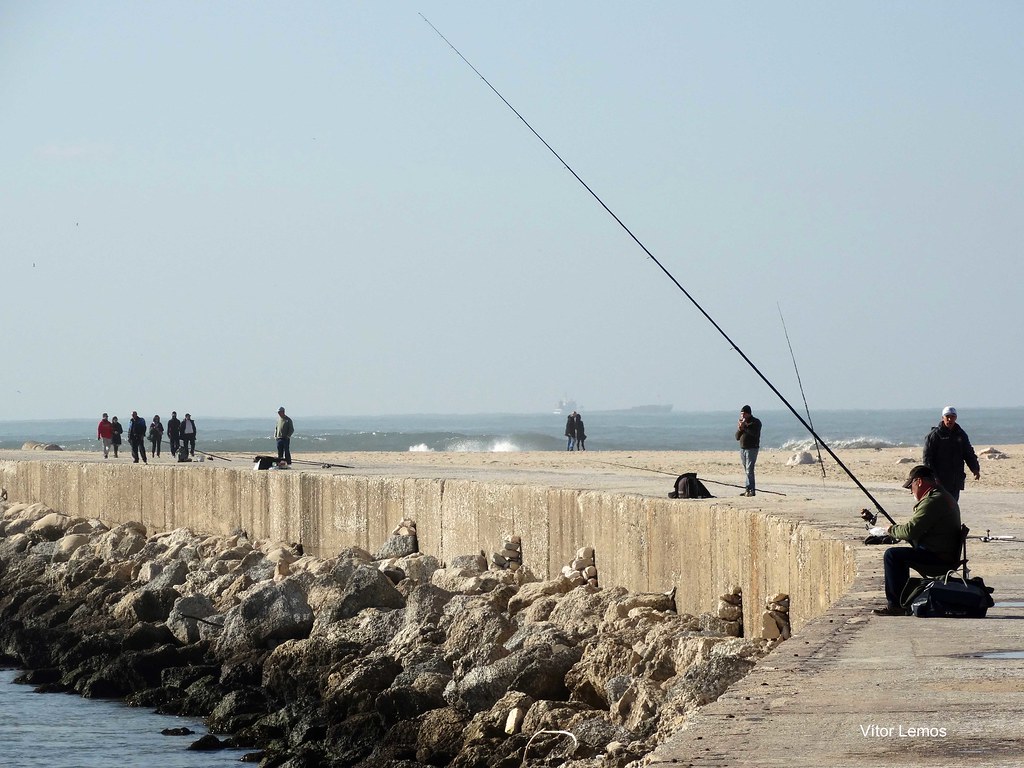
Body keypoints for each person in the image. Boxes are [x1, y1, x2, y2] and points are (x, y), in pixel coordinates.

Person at [872, 464, 963, 616]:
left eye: (911, 487)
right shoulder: (943, 495)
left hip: (938, 558)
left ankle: (896, 605)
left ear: (919, 482)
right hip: (943, 552)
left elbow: (909, 530)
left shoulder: (933, 501)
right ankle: (903, 600)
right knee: (899, 555)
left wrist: (890, 530)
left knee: (892, 556)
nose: (911, 491)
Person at [923, 406, 980, 502]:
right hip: (939, 480)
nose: (950, 419)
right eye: (947, 416)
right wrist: (934, 477)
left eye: (952, 417)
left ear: (956, 418)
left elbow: (968, 453)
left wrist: (975, 469)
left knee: (952, 506)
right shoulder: (934, 435)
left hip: (956, 479)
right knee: (939, 506)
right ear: (943, 418)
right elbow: (927, 459)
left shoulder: (961, 434)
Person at [735, 405, 762, 496]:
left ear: (748, 414)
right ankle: (747, 488)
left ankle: (751, 489)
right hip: (743, 449)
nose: (742, 416)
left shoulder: (755, 422)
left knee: (749, 470)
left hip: (752, 448)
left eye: (744, 414)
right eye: (741, 414)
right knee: (746, 469)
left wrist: (745, 427)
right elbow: (737, 437)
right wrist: (740, 429)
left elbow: (754, 433)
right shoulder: (743, 423)